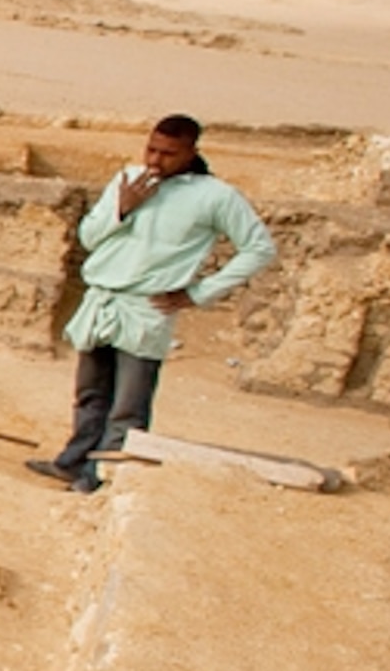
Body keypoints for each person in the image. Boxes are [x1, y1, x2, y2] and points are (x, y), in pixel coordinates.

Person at [28, 114, 277, 493]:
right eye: (152, 149)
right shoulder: (129, 180)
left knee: (129, 406)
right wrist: (122, 209)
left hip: (147, 309)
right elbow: (90, 237)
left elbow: (259, 248)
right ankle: (73, 462)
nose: (156, 161)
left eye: (168, 154)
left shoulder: (215, 196)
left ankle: (102, 478)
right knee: (90, 394)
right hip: (104, 300)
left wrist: (199, 293)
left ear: (191, 153)